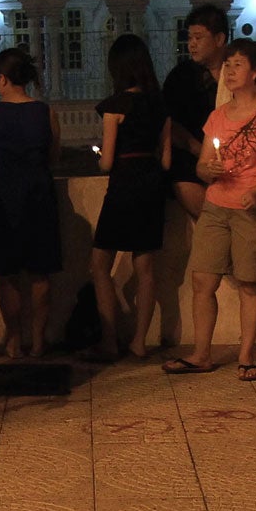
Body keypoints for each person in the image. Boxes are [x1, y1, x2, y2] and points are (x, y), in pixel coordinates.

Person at [163, 39, 256, 381]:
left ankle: (246, 355)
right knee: (202, 279)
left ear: (255, 71)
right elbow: (203, 165)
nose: (230, 71)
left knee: (250, 282)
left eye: (237, 65)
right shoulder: (217, 116)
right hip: (217, 206)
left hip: (255, 209)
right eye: (228, 65)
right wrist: (209, 171)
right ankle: (201, 353)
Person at [88, 33, 171, 361]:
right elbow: (166, 160)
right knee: (146, 266)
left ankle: (110, 340)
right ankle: (140, 341)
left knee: (99, 264)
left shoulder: (115, 107)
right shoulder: (160, 105)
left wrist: (97, 157)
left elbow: (106, 162)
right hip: (152, 184)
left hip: (124, 185)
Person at [0, 48, 61, 359]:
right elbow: (54, 155)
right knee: (41, 273)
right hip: (39, 196)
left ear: (2, 78)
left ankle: (13, 339)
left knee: (7, 272)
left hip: (1, 198)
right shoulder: (44, 111)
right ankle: (38, 340)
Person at [163, 4, 227, 219]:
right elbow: (170, 121)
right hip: (191, 160)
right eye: (189, 38)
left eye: (198, 38)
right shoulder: (181, 76)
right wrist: (195, 147)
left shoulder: (237, 71)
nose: (192, 45)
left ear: (219, 39)